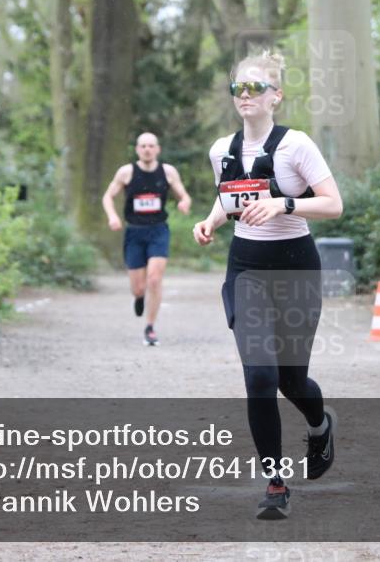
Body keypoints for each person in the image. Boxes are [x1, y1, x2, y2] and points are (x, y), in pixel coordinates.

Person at [193, 50, 343, 520]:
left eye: (256, 87)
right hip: (247, 270)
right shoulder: (223, 150)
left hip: (296, 269)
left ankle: (319, 426)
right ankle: (275, 482)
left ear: (275, 96)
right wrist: (211, 220)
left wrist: (283, 205)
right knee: (259, 375)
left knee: (290, 379)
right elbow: (231, 198)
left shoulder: (295, 145)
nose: (246, 95)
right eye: (239, 87)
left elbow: (333, 204)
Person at [102, 132, 192, 346]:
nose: (147, 149)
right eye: (143, 146)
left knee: (154, 279)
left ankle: (150, 327)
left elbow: (184, 195)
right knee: (138, 287)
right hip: (134, 232)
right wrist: (113, 216)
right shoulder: (126, 172)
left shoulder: (168, 172)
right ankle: (139, 297)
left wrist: (185, 203)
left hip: (158, 230)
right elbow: (108, 196)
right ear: (137, 150)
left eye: (151, 146)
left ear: (158, 149)